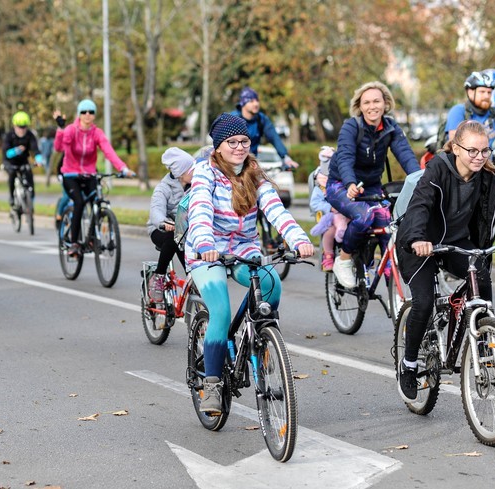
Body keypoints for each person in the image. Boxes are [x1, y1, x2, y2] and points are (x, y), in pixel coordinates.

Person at [186, 113, 314, 415]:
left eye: (244, 141)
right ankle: (214, 384)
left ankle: (260, 341)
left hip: (244, 249)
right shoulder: (204, 173)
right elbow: (200, 210)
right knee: (220, 310)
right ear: (218, 146)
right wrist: (204, 244)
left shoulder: (256, 174)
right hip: (207, 252)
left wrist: (298, 239)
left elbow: (276, 211)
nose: (239, 147)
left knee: (271, 285)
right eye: (232, 142)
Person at [395, 120, 495, 401]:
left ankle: (482, 340)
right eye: (472, 150)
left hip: (457, 243)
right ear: (456, 148)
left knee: (480, 275)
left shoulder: (490, 179)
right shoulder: (438, 170)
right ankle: (409, 365)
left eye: (485, 151)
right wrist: (418, 239)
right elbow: (420, 204)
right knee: (423, 301)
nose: (479, 157)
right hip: (420, 242)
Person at [326, 81, 421, 288]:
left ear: (385, 103)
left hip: (371, 187)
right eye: (366, 102)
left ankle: (394, 287)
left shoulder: (390, 128)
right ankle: (343, 260)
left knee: (390, 225)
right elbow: (345, 158)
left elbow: (406, 156)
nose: (372, 106)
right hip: (342, 184)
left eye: (376, 101)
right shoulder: (351, 126)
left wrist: (420, 180)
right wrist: (350, 182)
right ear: (360, 106)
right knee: (364, 216)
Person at [53, 99, 136, 256]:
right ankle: (74, 242)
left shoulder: (97, 133)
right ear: (79, 114)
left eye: (91, 112)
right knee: (78, 202)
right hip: (71, 174)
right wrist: (61, 129)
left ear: (94, 115)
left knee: (96, 201)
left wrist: (123, 169)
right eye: (84, 112)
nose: (87, 115)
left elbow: (109, 151)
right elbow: (59, 147)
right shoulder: (71, 130)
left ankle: (92, 238)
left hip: (89, 174)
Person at [145, 147, 194, 301]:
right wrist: (164, 222)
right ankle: (158, 277)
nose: (195, 172)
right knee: (174, 238)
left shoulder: (196, 187)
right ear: (181, 173)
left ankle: (193, 280)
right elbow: (156, 211)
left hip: (183, 231)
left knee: (188, 250)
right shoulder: (163, 188)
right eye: (191, 170)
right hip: (160, 230)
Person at [230, 86, 299, 168]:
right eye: (251, 101)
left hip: (251, 165)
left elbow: (274, 137)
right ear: (243, 103)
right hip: (233, 164)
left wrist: (285, 157)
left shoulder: (261, 119)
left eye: (257, 100)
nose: (256, 104)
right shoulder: (233, 119)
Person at [309, 146, 349, 271]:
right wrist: (329, 208)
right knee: (330, 231)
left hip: (344, 213)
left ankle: (348, 255)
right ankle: (328, 255)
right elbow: (314, 203)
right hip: (329, 216)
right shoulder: (320, 188)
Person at [2, 111, 42, 210]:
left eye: (24, 127)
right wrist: (16, 151)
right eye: (19, 127)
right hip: (10, 162)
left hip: (23, 161)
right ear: (15, 126)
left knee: (29, 176)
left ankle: (30, 201)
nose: (21, 130)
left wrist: (38, 159)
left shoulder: (30, 135)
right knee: (12, 174)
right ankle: (11, 196)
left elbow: (35, 149)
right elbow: (6, 152)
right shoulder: (9, 135)